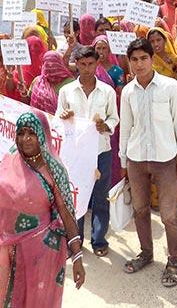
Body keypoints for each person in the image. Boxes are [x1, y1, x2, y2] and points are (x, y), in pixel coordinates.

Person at [0, 112, 85, 307]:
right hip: (7, 248)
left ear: (42, 135)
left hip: (40, 253)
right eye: (21, 133)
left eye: (31, 133)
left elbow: (67, 214)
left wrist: (77, 257)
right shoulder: (10, 159)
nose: (25, 139)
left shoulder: (54, 170)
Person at [119, 38, 177, 287]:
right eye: (134, 60)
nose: (139, 64)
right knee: (140, 210)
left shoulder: (169, 87)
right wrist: (122, 160)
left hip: (165, 159)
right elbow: (125, 128)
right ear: (129, 63)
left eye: (143, 58)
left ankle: (174, 260)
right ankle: (146, 254)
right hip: (136, 159)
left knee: (169, 214)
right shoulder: (127, 92)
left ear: (152, 59)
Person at [57, 46, 119, 257]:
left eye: (90, 64)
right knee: (75, 196)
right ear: (76, 63)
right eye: (82, 64)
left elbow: (114, 118)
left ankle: (99, 239)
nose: (86, 68)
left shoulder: (107, 91)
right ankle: (75, 241)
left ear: (97, 64)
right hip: (75, 153)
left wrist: (105, 126)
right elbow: (58, 118)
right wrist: (64, 115)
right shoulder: (67, 91)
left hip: (101, 150)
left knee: (101, 197)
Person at [0, 35, 23, 101]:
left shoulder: (11, 64)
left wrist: (9, 73)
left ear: (1, 49)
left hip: (7, 98)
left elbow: (11, 87)